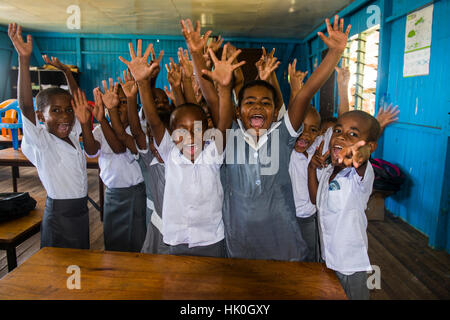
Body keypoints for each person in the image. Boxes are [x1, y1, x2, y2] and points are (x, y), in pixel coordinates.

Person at [179, 16, 351, 261]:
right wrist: (196, 54)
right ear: (238, 111)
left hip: (283, 242)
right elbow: (213, 100)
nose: (258, 106)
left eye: (265, 103)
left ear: (274, 111)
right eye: (249, 102)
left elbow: (305, 94)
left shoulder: (283, 134)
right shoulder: (229, 136)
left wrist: (334, 53)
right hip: (240, 242)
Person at [119, 39, 244, 257]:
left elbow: (225, 123)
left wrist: (225, 88)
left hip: (211, 238)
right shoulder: (169, 154)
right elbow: (154, 121)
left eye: (197, 129)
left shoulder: (213, 154)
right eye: (181, 131)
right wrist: (142, 84)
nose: (190, 138)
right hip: (176, 238)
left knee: (211, 288)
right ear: (172, 134)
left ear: (207, 131)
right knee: (177, 288)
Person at [8, 23, 89, 249]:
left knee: (80, 260)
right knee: (58, 268)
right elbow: (25, 106)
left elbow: (77, 99)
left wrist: (66, 72)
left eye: (68, 110)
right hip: (60, 215)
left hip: (81, 211)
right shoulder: (41, 141)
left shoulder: (72, 133)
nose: (64, 116)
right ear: (40, 117)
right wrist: (24, 60)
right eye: (55, 111)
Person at [307, 110, 380, 300]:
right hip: (328, 257)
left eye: (353, 134)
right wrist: (311, 169)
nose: (341, 137)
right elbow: (317, 201)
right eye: (338, 131)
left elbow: (359, 159)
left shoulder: (359, 176)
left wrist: (359, 150)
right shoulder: (329, 170)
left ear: (370, 147)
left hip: (349, 265)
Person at [80, 78, 146, 252]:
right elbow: (91, 150)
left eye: (123, 102)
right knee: (114, 242)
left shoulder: (137, 130)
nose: (117, 106)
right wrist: (86, 123)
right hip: (113, 196)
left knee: (137, 241)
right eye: (112, 102)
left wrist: (103, 119)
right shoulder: (99, 131)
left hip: (136, 195)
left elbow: (119, 147)